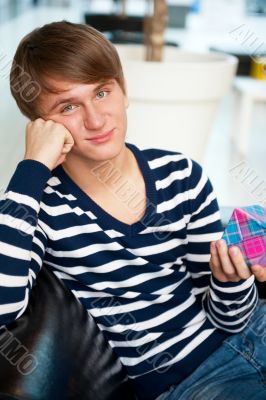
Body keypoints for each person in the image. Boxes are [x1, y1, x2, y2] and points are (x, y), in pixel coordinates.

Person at [1, 21, 266, 400]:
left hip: (251, 332)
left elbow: (231, 319)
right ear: (41, 125)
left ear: (123, 90)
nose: (95, 120)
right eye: (69, 106)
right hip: (194, 384)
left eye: (103, 93)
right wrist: (32, 167)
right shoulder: (39, 207)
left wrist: (231, 282)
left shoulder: (182, 175)